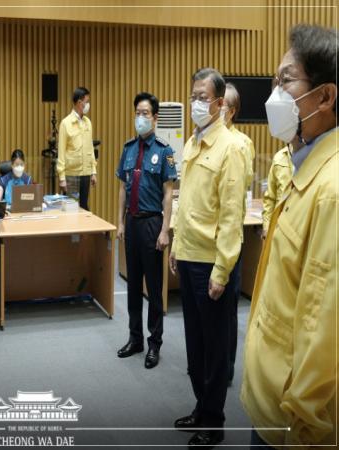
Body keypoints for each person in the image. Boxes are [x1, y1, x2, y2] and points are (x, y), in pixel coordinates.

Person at [242, 24, 337, 449]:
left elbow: (324, 327)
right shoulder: (305, 166)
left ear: (325, 96)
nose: (274, 95)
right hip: (269, 397)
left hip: (290, 423)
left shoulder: (332, 190)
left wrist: (302, 430)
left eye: (286, 81)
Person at [169, 67, 245, 448]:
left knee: (215, 348)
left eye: (203, 97)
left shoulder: (231, 147)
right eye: (193, 96)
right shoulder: (191, 142)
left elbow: (231, 216)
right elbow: (184, 201)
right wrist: (175, 244)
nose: (196, 103)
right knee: (195, 344)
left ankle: (214, 422)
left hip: (211, 263)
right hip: (187, 255)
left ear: (219, 103)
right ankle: (201, 407)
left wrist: (222, 270)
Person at [115, 92, 176, 369]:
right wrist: (120, 222)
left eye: (145, 113)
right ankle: (135, 338)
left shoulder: (164, 151)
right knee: (132, 286)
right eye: (137, 113)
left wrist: (165, 230)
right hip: (132, 222)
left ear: (155, 117)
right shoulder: (128, 148)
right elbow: (122, 189)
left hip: (152, 224)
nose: (140, 118)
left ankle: (154, 343)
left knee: (153, 287)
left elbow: (168, 194)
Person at [221, 82, 255, 386]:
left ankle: (227, 369)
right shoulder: (203, 139)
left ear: (231, 111)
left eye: (221, 105)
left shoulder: (241, 143)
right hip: (205, 239)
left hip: (230, 235)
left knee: (228, 308)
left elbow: (237, 188)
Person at [57, 86, 97, 210]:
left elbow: (90, 148)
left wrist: (93, 171)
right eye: (87, 101)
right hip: (71, 174)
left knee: (84, 207)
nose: (88, 104)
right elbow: (61, 152)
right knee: (71, 209)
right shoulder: (65, 123)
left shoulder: (87, 122)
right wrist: (62, 177)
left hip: (86, 173)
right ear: (80, 102)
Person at [261, 144, 293, 239]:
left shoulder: (311, 155)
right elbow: (270, 198)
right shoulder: (279, 157)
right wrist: (266, 227)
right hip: (279, 227)